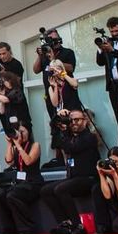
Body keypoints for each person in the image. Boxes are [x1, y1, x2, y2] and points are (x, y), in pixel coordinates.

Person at [42, 109, 99, 234]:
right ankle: (64, 223)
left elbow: (71, 147)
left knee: (60, 189)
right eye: (71, 120)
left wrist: (64, 132)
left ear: (85, 121)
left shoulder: (89, 137)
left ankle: (78, 225)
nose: (73, 123)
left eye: (77, 120)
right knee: (46, 190)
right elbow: (56, 141)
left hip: (88, 178)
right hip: (74, 179)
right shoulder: (70, 136)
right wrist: (57, 120)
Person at [0, 122, 43, 234]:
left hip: (33, 182)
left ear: (28, 132)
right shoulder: (14, 147)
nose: (21, 135)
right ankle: (9, 228)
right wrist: (10, 144)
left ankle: (27, 228)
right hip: (19, 183)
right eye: (19, 133)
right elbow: (8, 161)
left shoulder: (35, 145)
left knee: (12, 195)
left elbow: (28, 161)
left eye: (23, 132)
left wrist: (18, 146)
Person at [33, 29, 77, 166]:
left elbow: (71, 68)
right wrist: (41, 56)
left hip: (68, 94)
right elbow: (35, 70)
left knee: (69, 123)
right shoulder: (45, 55)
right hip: (52, 91)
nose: (51, 41)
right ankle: (61, 157)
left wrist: (54, 60)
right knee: (56, 124)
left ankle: (74, 154)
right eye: (48, 39)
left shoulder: (67, 53)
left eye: (53, 39)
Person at [0, 70, 31, 141]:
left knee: (26, 149)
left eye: (4, 80)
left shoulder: (17, 91)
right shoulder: (5, 95)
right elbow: (1, 111)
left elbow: (6, 100)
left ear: (10, 81)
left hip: (22, 127)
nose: (2, 83)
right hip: (11, 129)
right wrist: (0, 95)